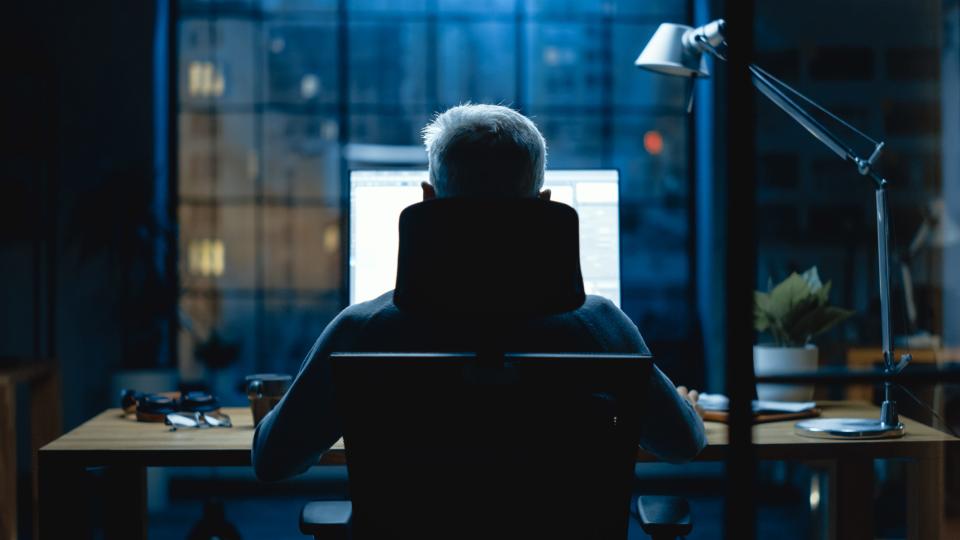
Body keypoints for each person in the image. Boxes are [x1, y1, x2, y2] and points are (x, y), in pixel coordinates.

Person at [252, 104, 706, 481]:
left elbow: (272, 462)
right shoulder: (601, 328)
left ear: (428, 198)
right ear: (544, 205)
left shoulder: (362, 330)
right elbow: (683, 445)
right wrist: (683, 409)